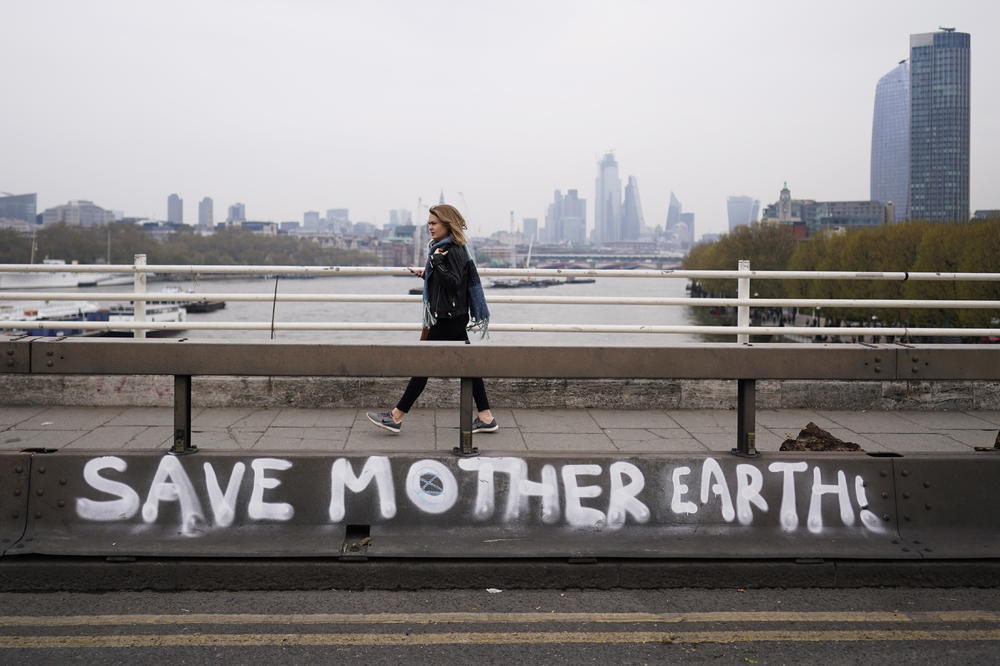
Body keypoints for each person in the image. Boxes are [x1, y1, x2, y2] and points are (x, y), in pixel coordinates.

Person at [367, 204, 498, 435]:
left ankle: (396, 416)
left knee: (423, 363)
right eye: (428, 223)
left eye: (434, 223)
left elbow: (455, 283)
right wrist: (428, 272)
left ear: (448, 225)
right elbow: (449, 282)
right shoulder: (445, 248)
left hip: (448, 317)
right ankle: (486, 416)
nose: (430, 227)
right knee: (468, 367)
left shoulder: (452, 250)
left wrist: (436, 263)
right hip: (452, 316)